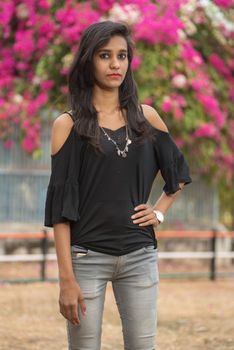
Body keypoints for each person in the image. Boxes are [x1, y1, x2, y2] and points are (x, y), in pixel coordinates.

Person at [44, 20, 192, 350]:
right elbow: (59, 211)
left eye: (122, 56)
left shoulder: (147, 118)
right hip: (86, 258)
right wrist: (66, 279)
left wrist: (159, 213)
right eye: (105, 55)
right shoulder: (67, 125)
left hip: (140, 256)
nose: (115, 64)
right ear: (88, 60)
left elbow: (178, 174)